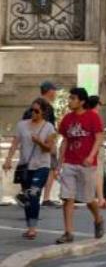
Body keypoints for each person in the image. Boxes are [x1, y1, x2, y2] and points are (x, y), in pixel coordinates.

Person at [3, 98, 57, 240]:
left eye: (37, 111)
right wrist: (8, 160)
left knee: (33, 193)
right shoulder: (22, 125)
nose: (33, 113)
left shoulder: (49, 128)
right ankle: (29, 226)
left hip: (42, 166)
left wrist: (39, 142)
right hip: (25, 166)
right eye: (32, 110)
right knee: (27, 197)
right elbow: (15, 143)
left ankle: (33, 229)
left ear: (43, 112)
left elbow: (50, 148)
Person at [56, 87, 105, 244]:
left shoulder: (93, 117)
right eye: (69, 98)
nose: (69, 101)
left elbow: (98, 139)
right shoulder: (67, 119)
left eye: (73, 98)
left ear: (82, 101)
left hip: (87, 164)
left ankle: (98, 218)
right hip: (70, 162)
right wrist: (59, 163)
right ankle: (68, 232)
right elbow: (65, 141)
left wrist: (91, 156)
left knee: (88, 199)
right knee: (67, 198)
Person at [21, 81, 59, 207]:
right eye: (55, 91)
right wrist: (52, 145)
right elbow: (51, 127)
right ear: (50, 91)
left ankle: (28, 194)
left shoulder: (33, 105)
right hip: (43, 143)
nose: (56, 93)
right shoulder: (46, 107)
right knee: (51, 168)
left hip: (31, 143)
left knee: (33, 169)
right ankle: (45, 198)